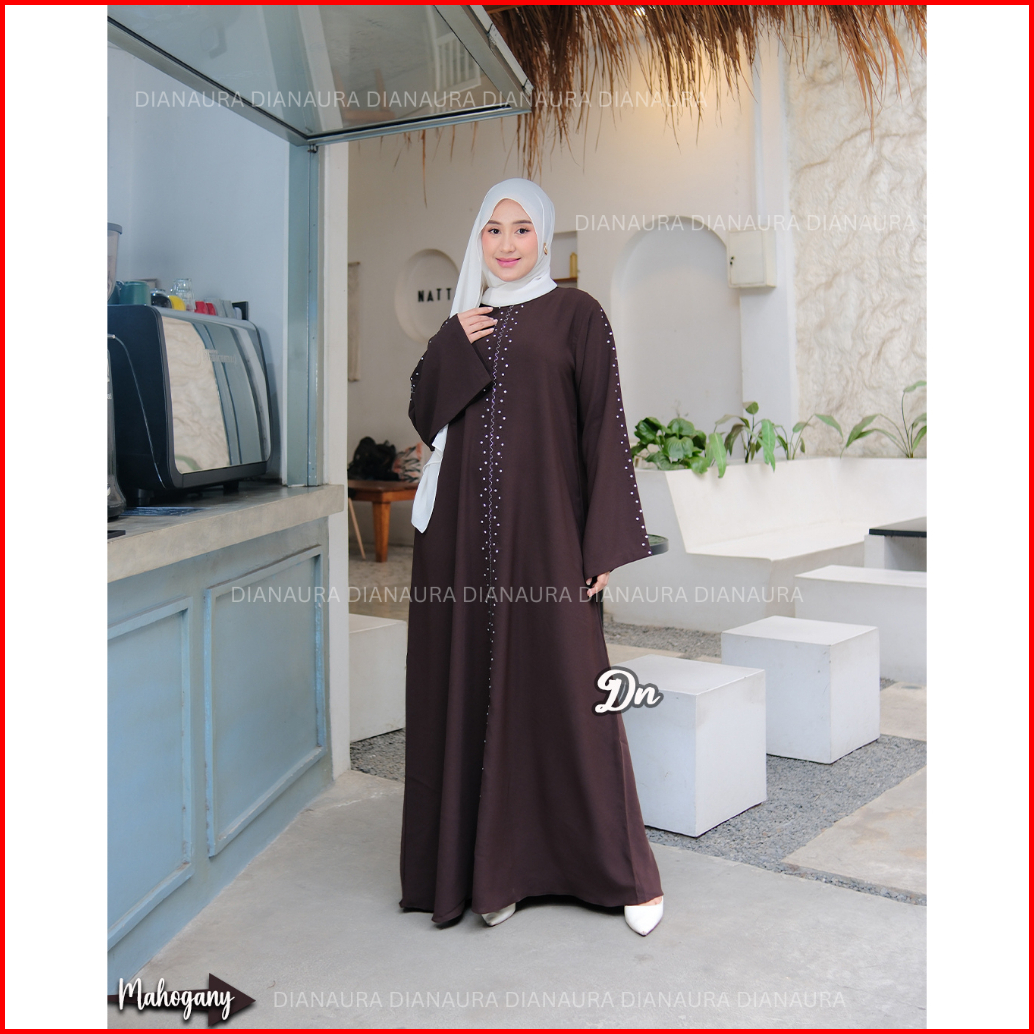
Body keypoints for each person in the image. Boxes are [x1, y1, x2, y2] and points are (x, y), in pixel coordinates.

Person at [401, 178, 664, 936]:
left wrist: (603, 542)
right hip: (458, 546)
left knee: (573, 691)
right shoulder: (463, 321)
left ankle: (621, 871)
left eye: (521, 229)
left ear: (543, 237)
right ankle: (493, 872)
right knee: (468, 690)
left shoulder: (578, 315)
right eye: (493, 229)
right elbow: (424, 415)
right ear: (478, 240)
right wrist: (450, 344)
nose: (507, 244)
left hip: (546, 538)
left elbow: (603, 427)